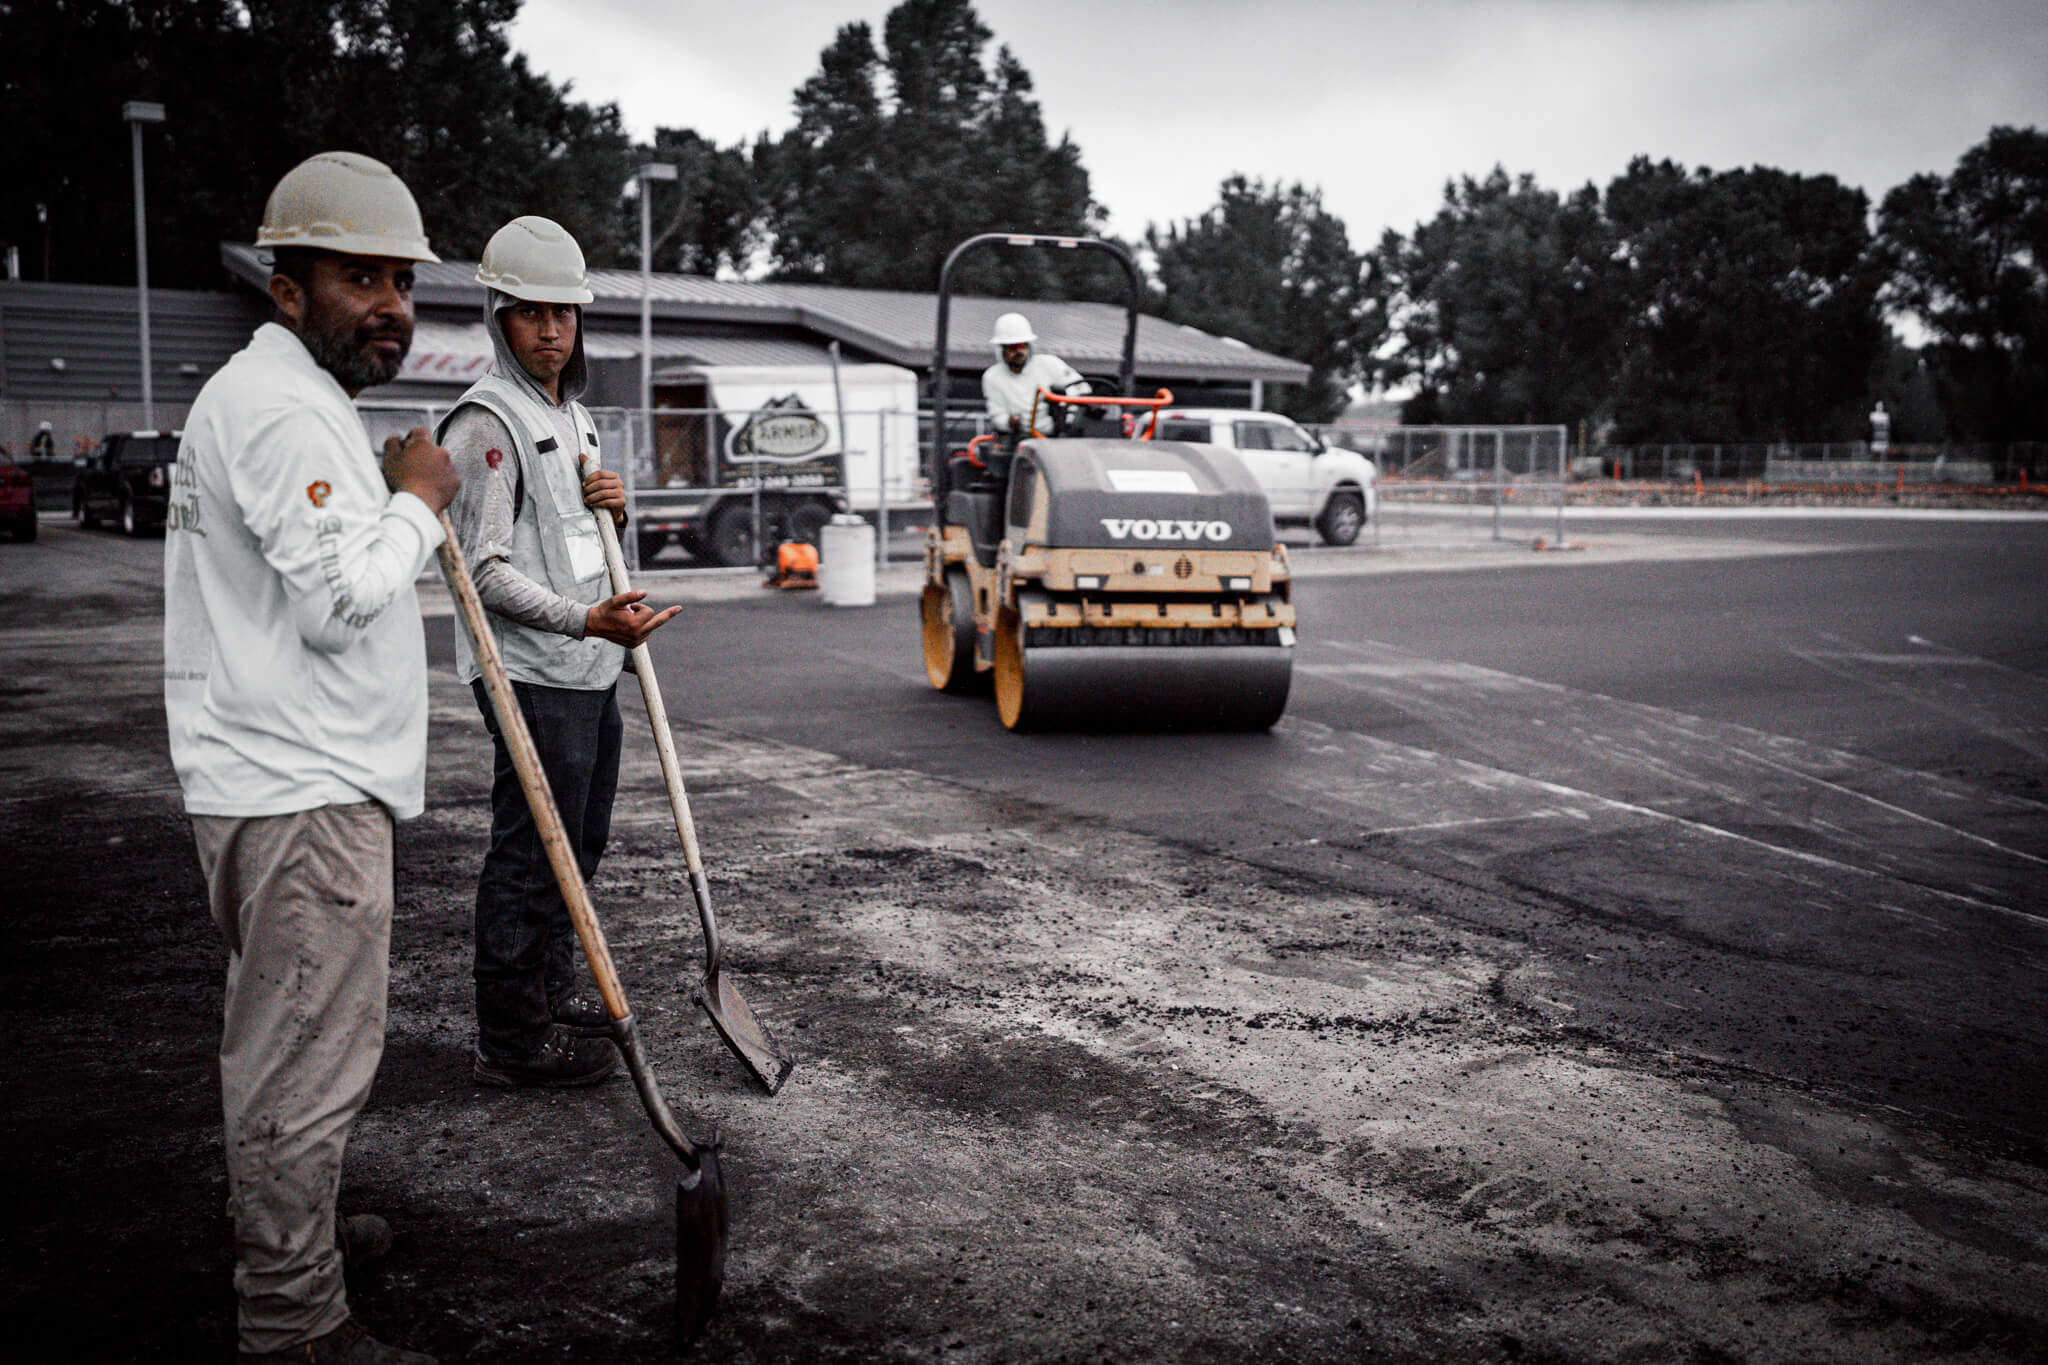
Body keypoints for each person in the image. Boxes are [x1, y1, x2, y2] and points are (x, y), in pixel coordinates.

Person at [163, 151, 452, 1363]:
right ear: (289, 290)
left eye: (401, 281)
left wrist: (386, 499)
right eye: (359, 278)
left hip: (276, 777)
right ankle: (293, 1320)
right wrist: (420, 501)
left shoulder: (275, 395)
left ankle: (297, 1236)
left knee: (285, 1039)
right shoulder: (283, 411)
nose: (390, 304)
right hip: (303, 791)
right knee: (303, 1060)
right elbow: (340, 603)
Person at [438, 215, 679, 1089]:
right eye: (532, 313)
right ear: (499, 316)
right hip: (533, 671)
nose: (551, 330)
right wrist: (584, 622)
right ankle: (511, 1038)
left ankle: (550, 992)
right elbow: (480, 572)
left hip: (588, 664)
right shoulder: (487, 422)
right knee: (533, 848)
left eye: (564, 313)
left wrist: (618, 511)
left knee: (579, 842)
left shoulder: (572, 418)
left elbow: (574, 544)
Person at [980, 311, 1088, 443]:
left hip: (1057, 438)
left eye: (1022, 346)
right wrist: (1009, 422)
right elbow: (997, 415)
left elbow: (1081, 388)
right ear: (1002, 350)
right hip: (1019, 440)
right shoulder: (992, 377)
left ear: (1029, 346)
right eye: (1012, 348)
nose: (1018, 351)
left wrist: (1066, 409)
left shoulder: (1050, 364)